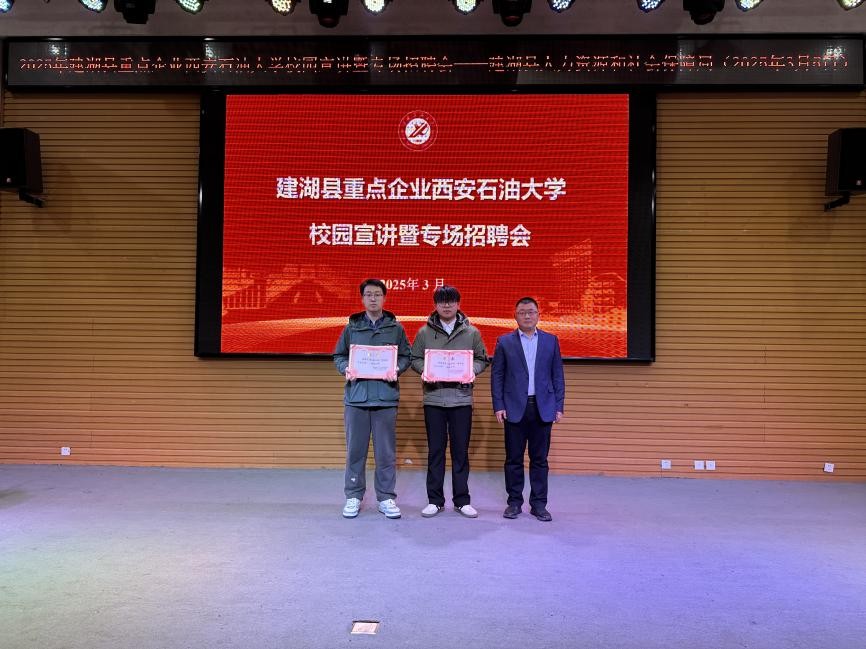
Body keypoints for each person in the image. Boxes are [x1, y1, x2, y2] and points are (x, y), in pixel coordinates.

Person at [333, 278, 411, 520]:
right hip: (356, 398)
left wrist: (396, 368)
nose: (373, 298)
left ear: (384, 298)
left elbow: (406, 356)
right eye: (369, 294)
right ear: (362, 298)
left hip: (385, 398)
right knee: (355, 452)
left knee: (385, 453)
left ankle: (386, 497)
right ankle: (353, 496)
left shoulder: (395, 328)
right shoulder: (352, 327)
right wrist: (346, 367)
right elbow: (339, 355)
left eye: (377, 294)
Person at [410, 286, 489, 518]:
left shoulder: (472, 333)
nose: (446, 305)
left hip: (461, 400)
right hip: (434, 399)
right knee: (435, 451)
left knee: (460, 452)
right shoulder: (424, 333)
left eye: (451, 301)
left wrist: (472, 370)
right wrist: (425, 370)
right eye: (442, 301)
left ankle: (462, 500)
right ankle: (435, 500)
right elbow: (415, 358)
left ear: (458, 304)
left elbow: (482, 359)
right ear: (435, 305)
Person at [490, 297, 565, 522]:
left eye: (531, 312)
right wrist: (498, 405)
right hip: (514, 408)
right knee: (513, 459)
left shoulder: (551, 341)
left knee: (539, 460)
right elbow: (497, 376)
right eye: (522, 312)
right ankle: (514, 503)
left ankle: (539, 504)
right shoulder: (505, 342)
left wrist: (558, 405)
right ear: (515, 316)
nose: (527, 316)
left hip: (543, 408)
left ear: (538, 315)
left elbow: (557, 375)